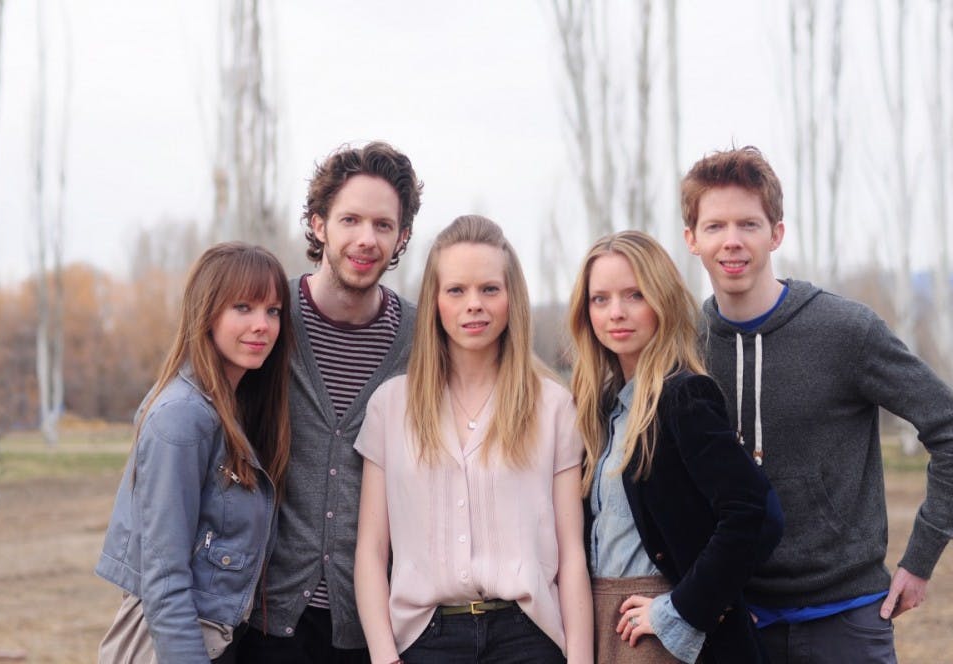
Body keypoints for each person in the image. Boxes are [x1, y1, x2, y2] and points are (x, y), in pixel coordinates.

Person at [681, 145, 953, 663]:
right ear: (691, 239)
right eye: (715, 226)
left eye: (749, 224)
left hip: (846, 620)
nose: (732, 241)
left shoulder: (845, 331)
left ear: (776, 233)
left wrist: (921, 558)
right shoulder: (683, 348)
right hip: (736, 625)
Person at [353, 215, 594, 664]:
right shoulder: (391, 407)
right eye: (456, 290)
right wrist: (384, 657)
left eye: (489, 289)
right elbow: (370, 551)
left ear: (511, 298)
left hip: (528, 638)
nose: (474, 305)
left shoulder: (554, 406)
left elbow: (572, 556)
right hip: (425, 639)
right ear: (435, 302)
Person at [237, 141, 423, 664]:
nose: (366, 239)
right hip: (264, 620)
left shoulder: (420, 341)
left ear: (402, 236)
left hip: (372, 626)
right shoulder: (269, 321)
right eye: (350, 220)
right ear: (319, 225)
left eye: (383, 225)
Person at [568, 230, 783, 664]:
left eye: (634, 295)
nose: (616, 313)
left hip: (661, 627)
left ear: (661, 300)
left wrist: (686, 606)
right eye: (600, 299)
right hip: (600, 620)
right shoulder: (599, 410)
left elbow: (756, 513)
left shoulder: (684, 397)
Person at [96, 242, 293, 663]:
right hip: (173, 645)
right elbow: (164, 578)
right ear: (207, 313)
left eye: (273, 311)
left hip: (215, 641)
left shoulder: (233, 409)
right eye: (243, 307)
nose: (262, 325)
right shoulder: (182, 417)